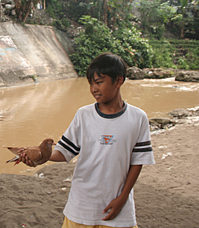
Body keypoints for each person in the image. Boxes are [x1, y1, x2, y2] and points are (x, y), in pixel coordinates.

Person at [20, 53, 155, 228]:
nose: (93, 89)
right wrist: (41, 157)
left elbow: (138, 162)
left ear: (118, 81)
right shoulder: (84, 115)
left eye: (99, 82)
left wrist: (122, 199)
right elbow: (64, 152)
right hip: (81, 206)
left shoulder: (138, 118)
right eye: (91, 83)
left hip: (118, 207)